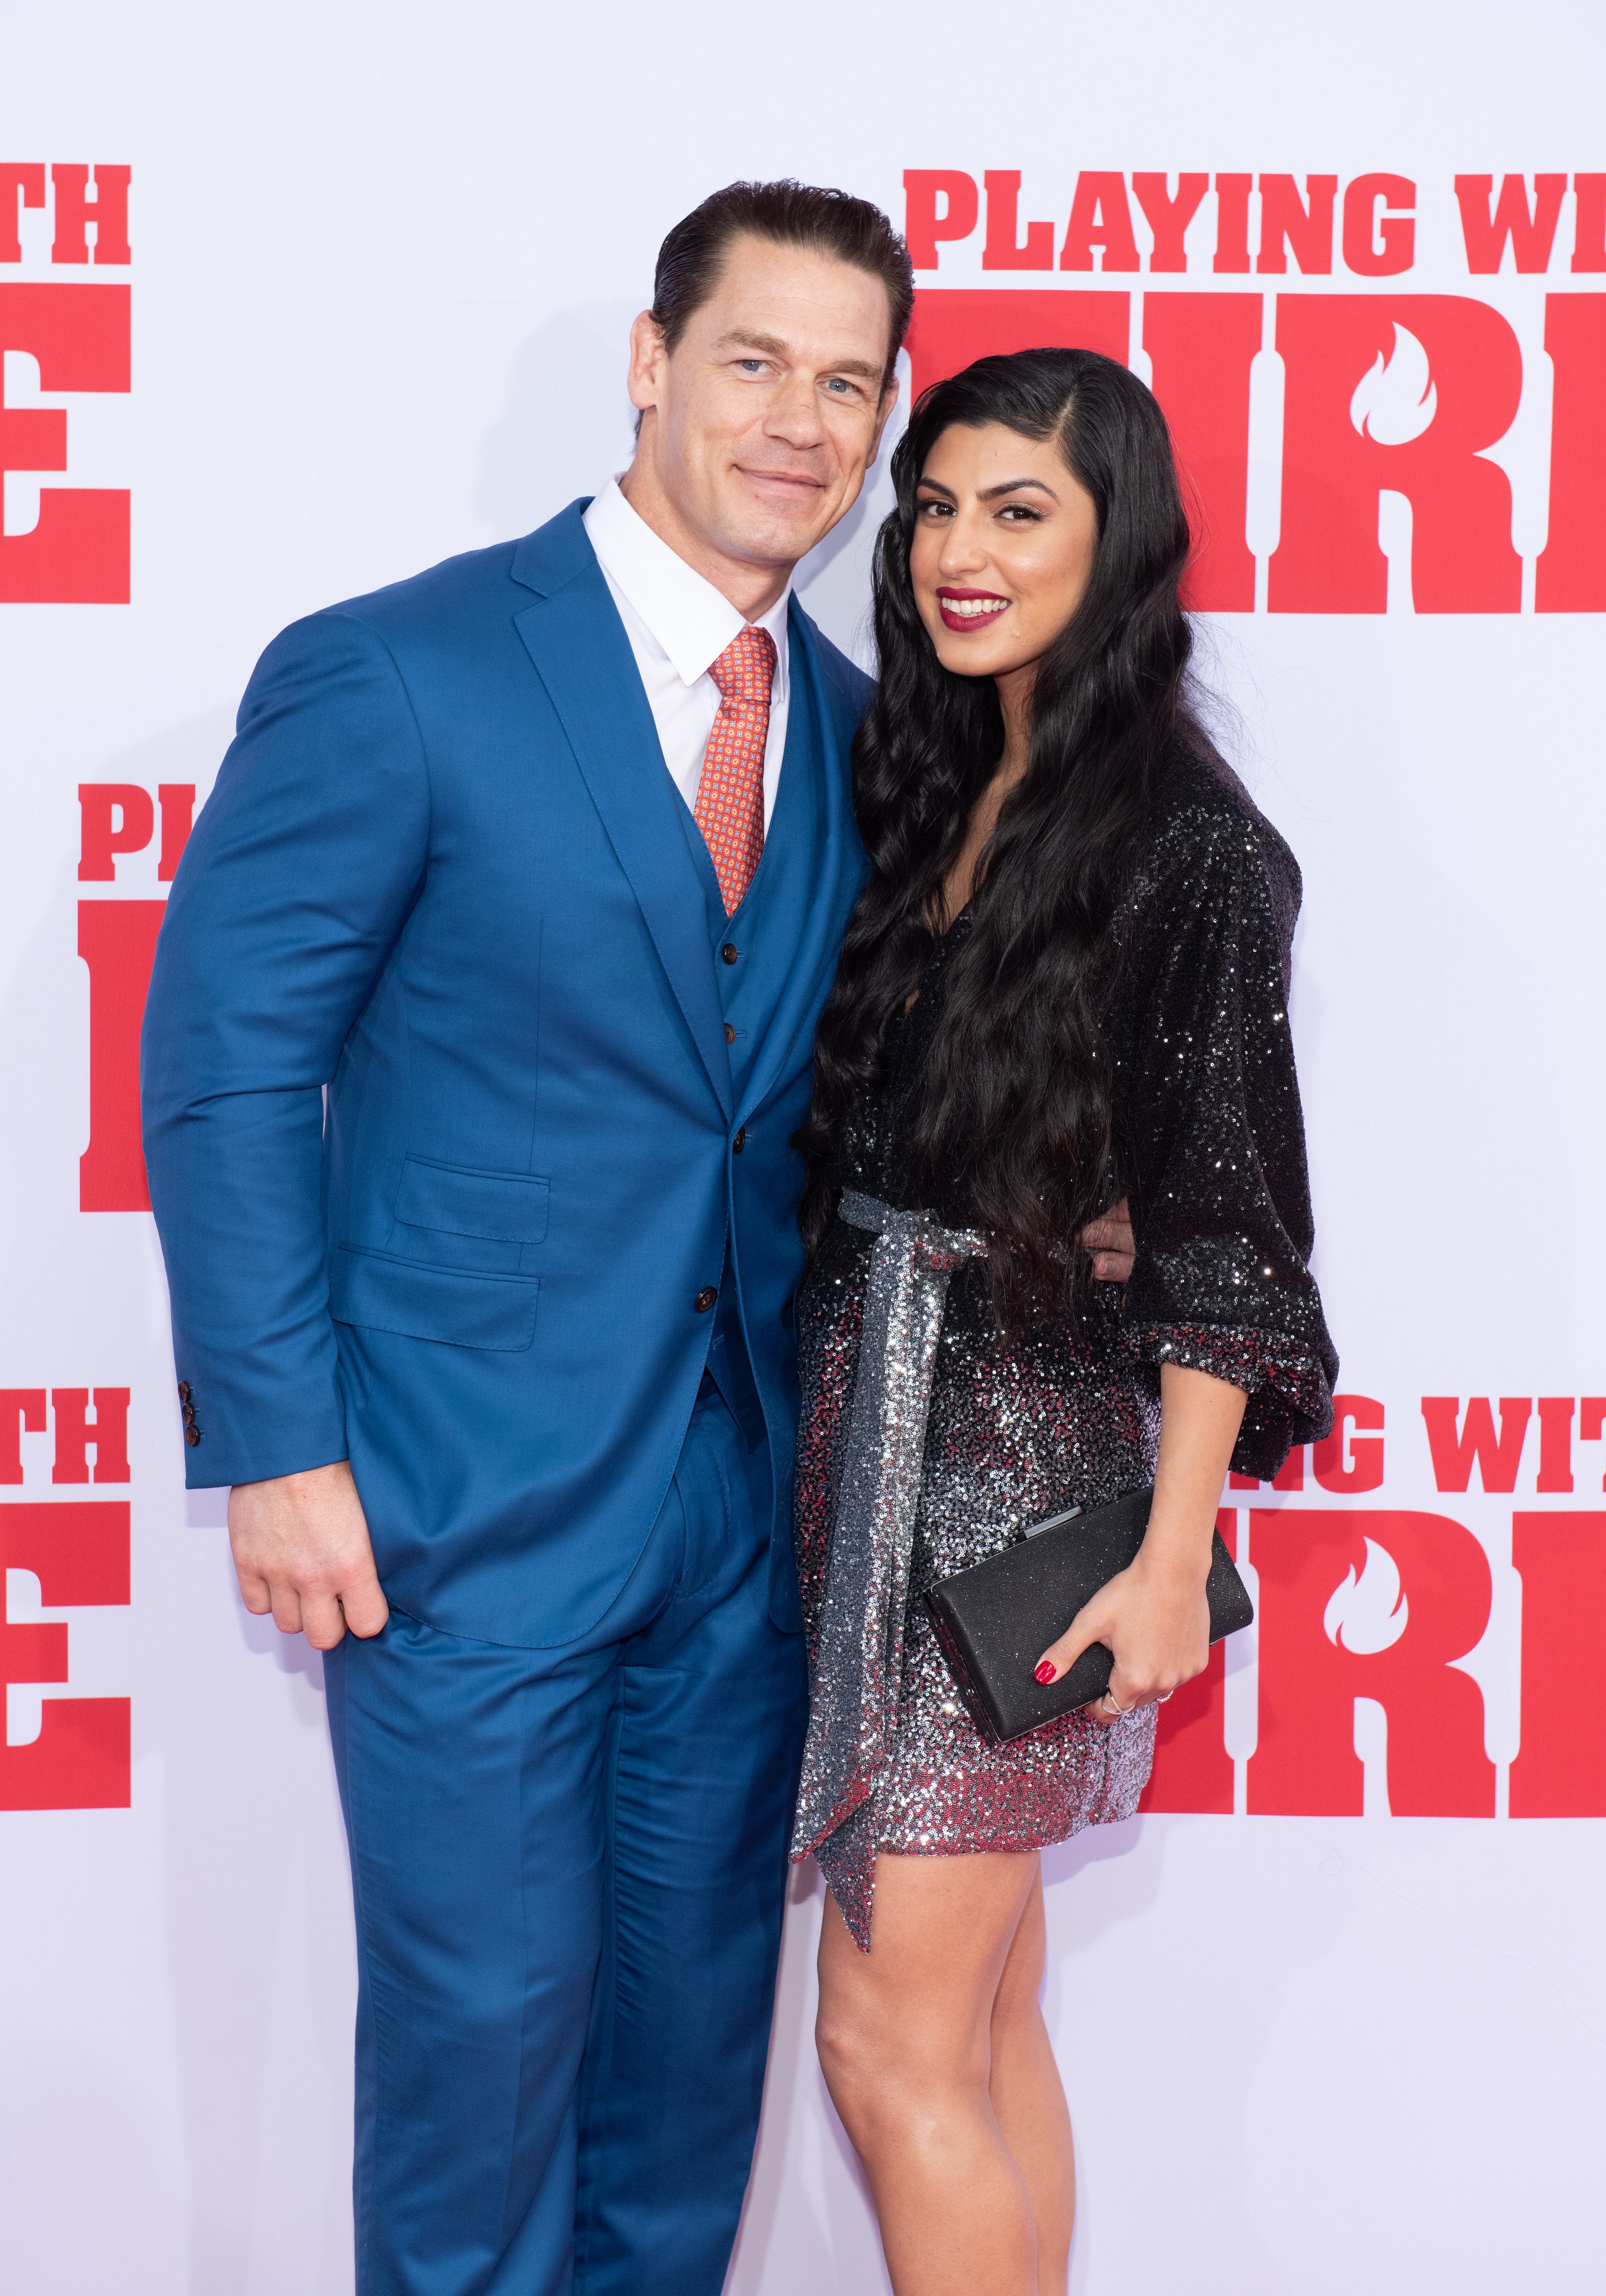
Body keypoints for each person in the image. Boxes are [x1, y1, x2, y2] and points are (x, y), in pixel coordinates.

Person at [141, 179, 930, 2296]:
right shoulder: (399, 671)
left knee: (682, 2106)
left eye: (846, 383)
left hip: (742, 1531)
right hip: (454, 1515)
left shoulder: (862, 730)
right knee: (479, 2085)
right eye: (755, 361)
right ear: (656, 365)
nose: (800, 422)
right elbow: (224, 1074)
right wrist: (280, 1450)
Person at [789, 347, 1339, 2296]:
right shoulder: (940, 768)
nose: (953, 547)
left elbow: (1230, 1242)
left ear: (1121, 540)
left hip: (1017, 1488)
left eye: (1017, 510)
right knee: (985, 2011)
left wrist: (1176, 1556)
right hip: (881, 1430)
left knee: (889, 2036)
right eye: (932, 503)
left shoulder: (1184, 842)